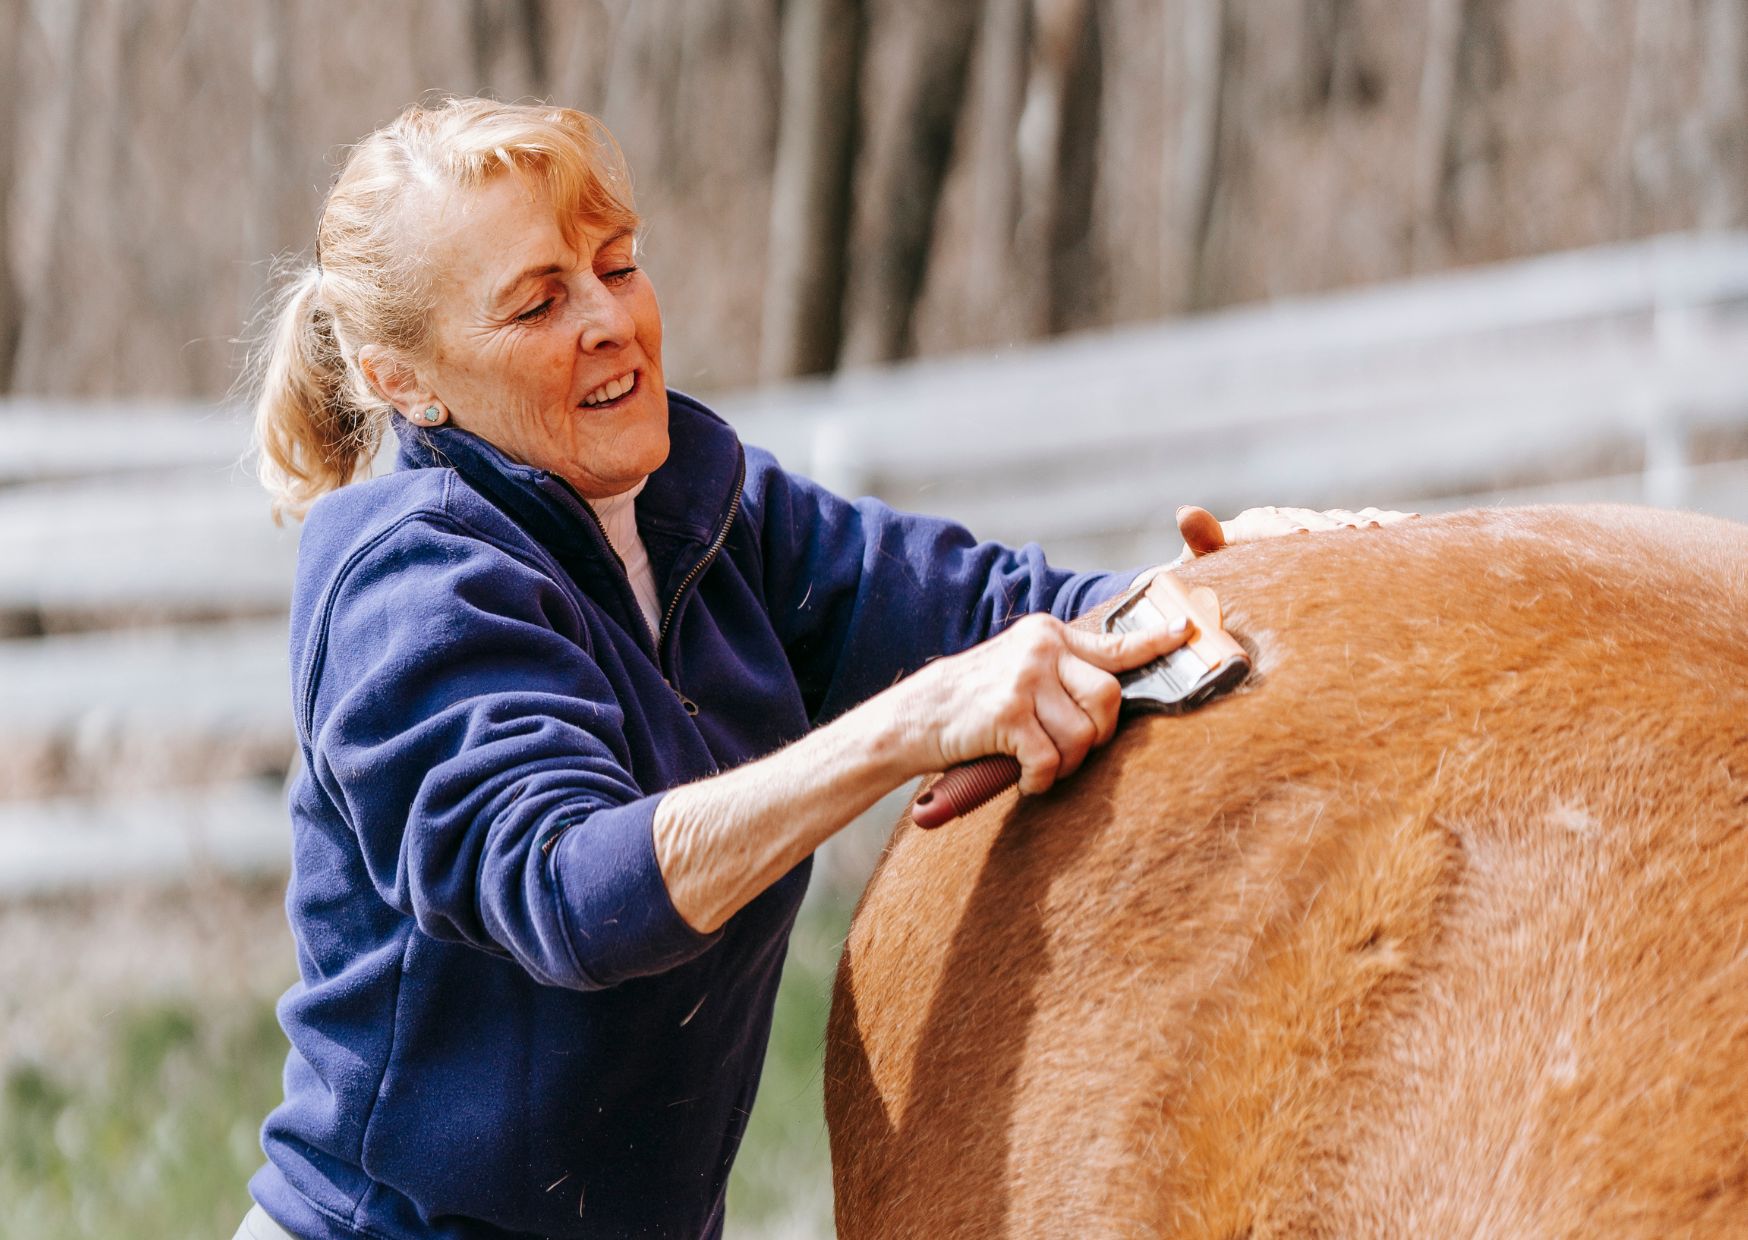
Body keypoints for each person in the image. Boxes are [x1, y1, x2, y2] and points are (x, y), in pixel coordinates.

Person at [235, 96, 1402, 1240]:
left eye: (618, 264)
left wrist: (1231, 585)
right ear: (403, 381)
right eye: (538, 302)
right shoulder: (405, 583)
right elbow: (570, 892)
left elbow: (997, 604)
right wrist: (905, 727)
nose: (608, 320)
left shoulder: (703, 506)